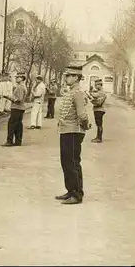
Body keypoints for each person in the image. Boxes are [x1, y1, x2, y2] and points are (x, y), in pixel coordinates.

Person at [56, 65, 90, 205]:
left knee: (72, 162)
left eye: (69, 76)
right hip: (66, 130)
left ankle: (76, 194)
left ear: (76, 77)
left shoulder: (78, 93)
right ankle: (71, 190)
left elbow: (82, 114)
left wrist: (84, 125)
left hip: (73, 131)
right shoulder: (71, 91)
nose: (66, 78)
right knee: (66, 162)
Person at [2, 73, 27, 147]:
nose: (16, 78)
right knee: (18, 125)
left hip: (17, 107)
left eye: (18, 77)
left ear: (22, 78)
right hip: (20, 108)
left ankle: (9, 141)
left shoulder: (20, 87)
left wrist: (8, 97)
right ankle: (18, 141)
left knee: (11, 124)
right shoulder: (22, 86)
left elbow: (19, 99)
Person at [89, 79, 107, 143]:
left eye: (97, 85)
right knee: (98, 124)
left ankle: (99, 138)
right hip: (98, 110)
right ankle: (98, 137)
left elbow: (98, 103)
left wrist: (92, 100)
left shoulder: (101, 92)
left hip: (99, 110)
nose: (95, 86)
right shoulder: (99, 92)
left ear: (100, 85)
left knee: (99, 124)